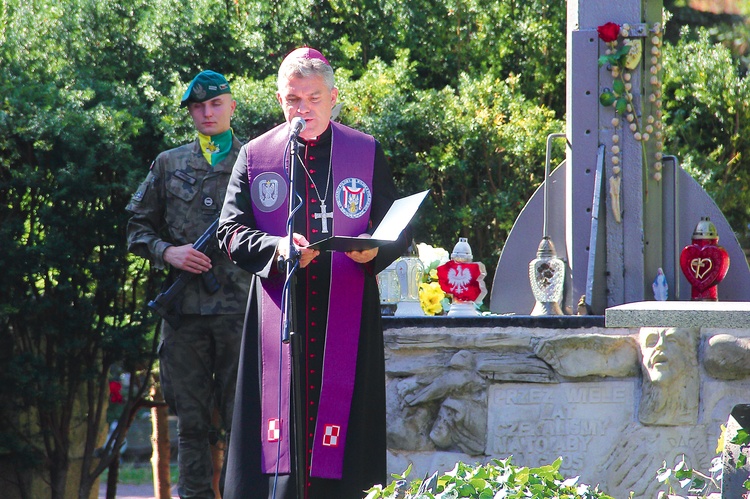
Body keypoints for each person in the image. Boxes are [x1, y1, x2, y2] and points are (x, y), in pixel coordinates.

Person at [217, 47, 410, 498]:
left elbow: (396, 226)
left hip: (348, 310)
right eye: (292, 99)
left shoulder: (365, 151)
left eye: (313, 99)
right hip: (279, 311)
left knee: (346, 439)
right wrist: (277, 247)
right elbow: (230, 232)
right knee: (276, 428)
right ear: (279, 99)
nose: (301, 109)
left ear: (333, 96)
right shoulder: (255, 155)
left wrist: (375, 251)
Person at [126, 70, 250, 499]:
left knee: (243, 420)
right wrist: (167, 252)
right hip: (185, 315)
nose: (206, 112)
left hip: (242, 311)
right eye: (198, 107)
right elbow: (136, 229)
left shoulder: (258, 161)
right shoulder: (169, 163)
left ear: (232, 106)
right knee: (192, 425)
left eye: (215, 104)